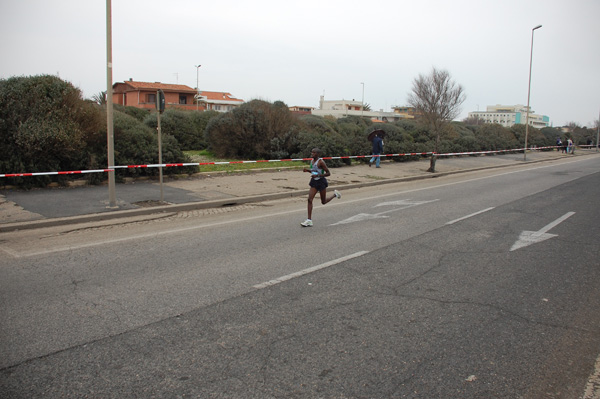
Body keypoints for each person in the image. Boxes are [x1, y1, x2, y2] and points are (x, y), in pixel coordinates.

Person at [300, 148, 341, 227]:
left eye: (314, 152)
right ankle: (309, 220)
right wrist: (307, 171)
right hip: (314, 181)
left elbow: (328, 173)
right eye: (312, 152)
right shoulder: (312, 161)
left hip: (321, 182)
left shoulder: (321, 162)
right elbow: (314, 171)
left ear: (318, 154)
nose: (312, 153)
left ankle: (335, 195)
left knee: (323, 201)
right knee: (309, 199)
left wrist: (318, 175)